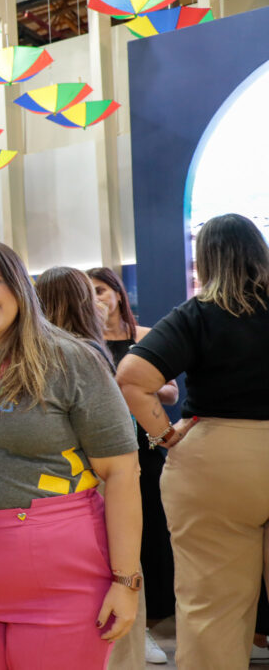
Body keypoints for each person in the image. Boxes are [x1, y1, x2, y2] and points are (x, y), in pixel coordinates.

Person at [0, 239, 142, 669]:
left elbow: (121, 474)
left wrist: (126, 580)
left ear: (19, 285)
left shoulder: (72, 360)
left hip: (57, 574)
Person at [117, 213, 269, 669]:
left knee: (211, 606)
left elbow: (131, 378)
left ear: (204, 259)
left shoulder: (196, 314)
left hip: (216, 459)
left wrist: (163, 436)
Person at [36, 266, 152, 669]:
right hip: (93, 490)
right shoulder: (85, 352)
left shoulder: (67, 353)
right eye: (91, 294)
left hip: (78, 491)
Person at [88, 265, 179, 665]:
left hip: (146, 448)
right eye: (88, 291)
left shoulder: (144, 338)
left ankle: (155, 621)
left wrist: (132, 383)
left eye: (103, 289)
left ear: (118, 294)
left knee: (157, 537)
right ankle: (135, 629)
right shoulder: (84, 344)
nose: (97, 297)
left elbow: (173, 391)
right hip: (105, 456)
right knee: (121, 541)